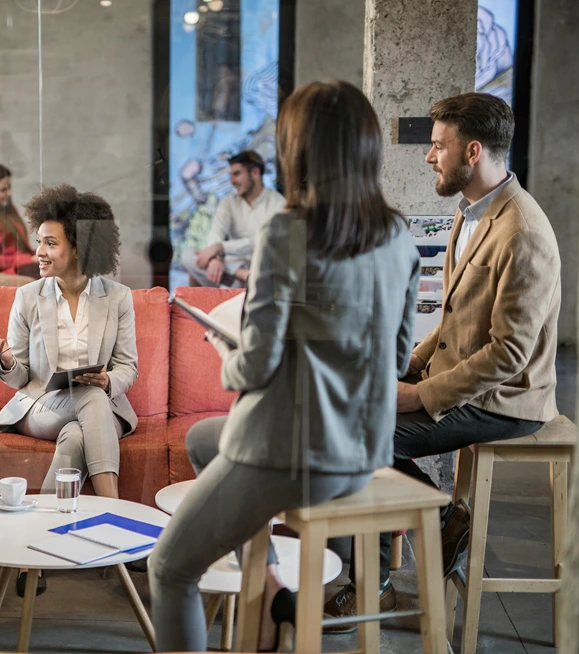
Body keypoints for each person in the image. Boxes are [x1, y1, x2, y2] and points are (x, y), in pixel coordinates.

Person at [148, 80, 420, 652]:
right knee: (203, 439)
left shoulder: (288, 231)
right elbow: (396, 360)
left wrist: (227, 354)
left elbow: (255, 368)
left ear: (300, 153)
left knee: (170, 568)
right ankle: (270, 586)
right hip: (363, 453)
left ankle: (268, 591)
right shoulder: (398, 237)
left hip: (289, 453)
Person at [323, 91, 561, 628]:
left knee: (363, 438)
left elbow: (509, 354)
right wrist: (410, 362)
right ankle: (442, 519)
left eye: (438, 146)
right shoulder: (471, 212)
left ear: (472, 151)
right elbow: (456, 317)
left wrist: (419, 394)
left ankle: (381, 576)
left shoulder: (523, 233)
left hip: (509, 400)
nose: (429, 156)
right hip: (468, 380)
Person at [0, 183, 136, 596]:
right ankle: (115, 519)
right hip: (41, 405)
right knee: (90, 398)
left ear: (80, 247)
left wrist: (107, 379)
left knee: (79, 431)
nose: (38, 253)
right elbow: (20, 375)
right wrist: (7, 360)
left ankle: (36, 549)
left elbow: (127, 367)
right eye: (39, 242)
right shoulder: (28, 297)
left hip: (95, 410)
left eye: (50, 243)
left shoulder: (117, 297)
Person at [179, 150, 285, 288]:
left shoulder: (278, 203)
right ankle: (241, 275)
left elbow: (262, 241)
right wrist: (216, 258)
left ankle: (238, 279)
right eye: (231, 175)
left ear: (255, 173)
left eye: (237, 174)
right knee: (188, 255)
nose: (232, 181)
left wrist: (221, 247)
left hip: (263, 270)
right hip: (232, 268)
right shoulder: (228, 202)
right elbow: (216, 233)